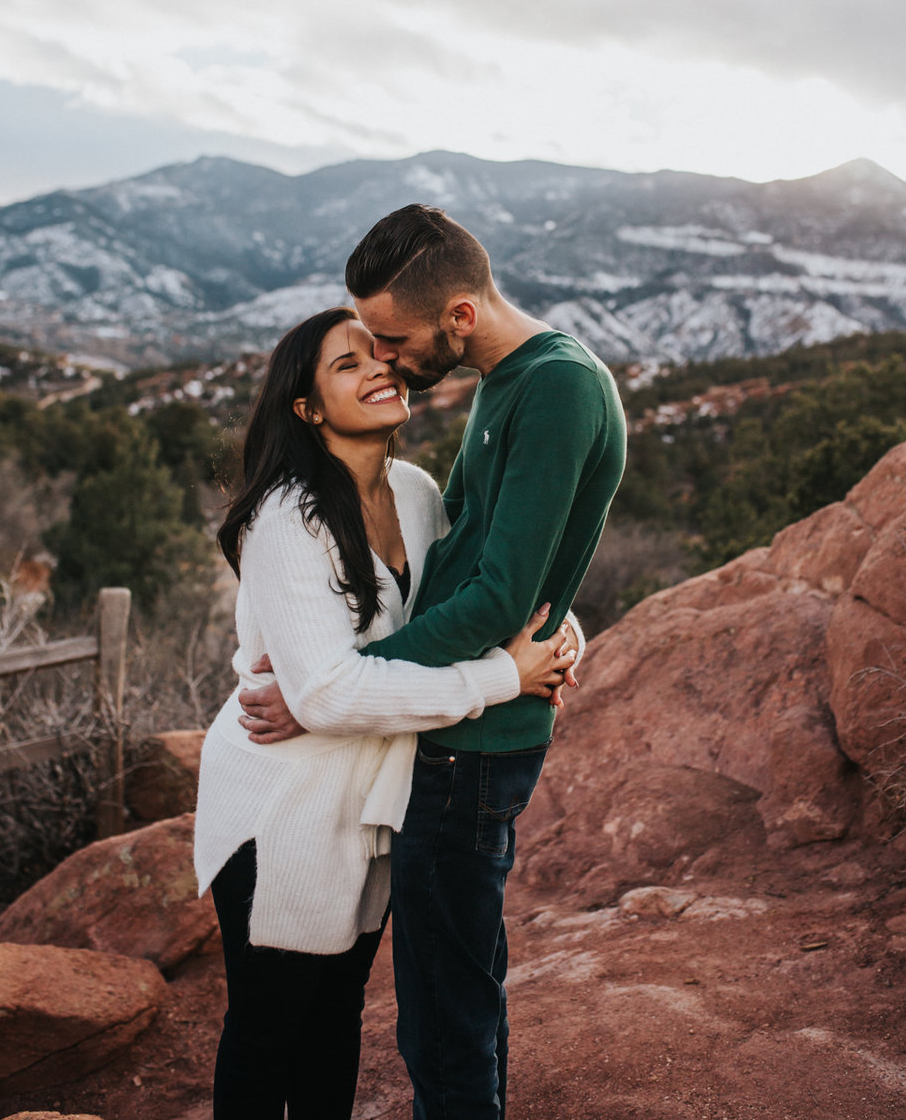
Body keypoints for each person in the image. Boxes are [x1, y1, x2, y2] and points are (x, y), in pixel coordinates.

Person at [240, 206, 627, 1120]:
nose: (385, 357)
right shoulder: (506, 381)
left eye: (392, 337)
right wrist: (560, 624)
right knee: (451, 997)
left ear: (457, 314)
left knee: (445, 1019)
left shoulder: (557, 387)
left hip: (471, 745)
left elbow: (496, 597)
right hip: (450, 722)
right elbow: (470, 555)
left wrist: (325, 688)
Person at [192, 305, 576, 1120]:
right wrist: (502, 678)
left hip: (374, 803)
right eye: (346, 365)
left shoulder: (414, 491)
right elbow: (328, 694)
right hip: (282, 808)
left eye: (381, 355)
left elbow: (475, 602)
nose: (380, 369)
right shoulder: (285, 518)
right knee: (268, 1032)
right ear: (306, 408)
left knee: (335, 1021)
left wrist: (562, 629)